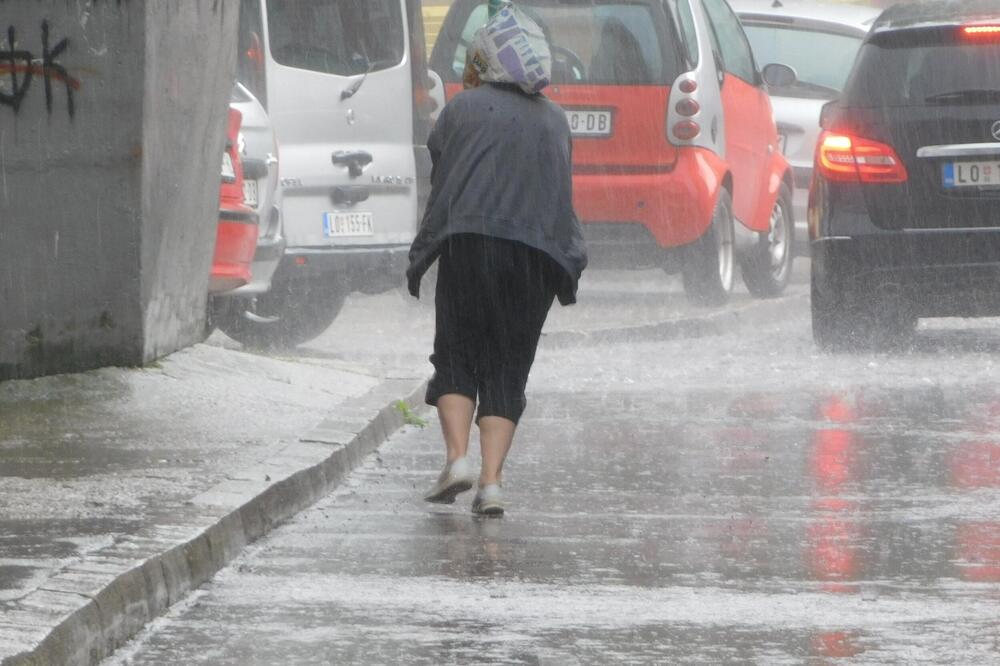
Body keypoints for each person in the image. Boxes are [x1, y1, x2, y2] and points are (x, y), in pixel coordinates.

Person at [407, 5, 587, 516]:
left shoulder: (460, 111)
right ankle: (491, 484)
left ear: (484, 61)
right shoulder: (555, 121)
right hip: (534, 255)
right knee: (508, 369)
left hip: (469, 243)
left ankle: (457, 458)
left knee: (458, 355)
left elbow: (442, 172)